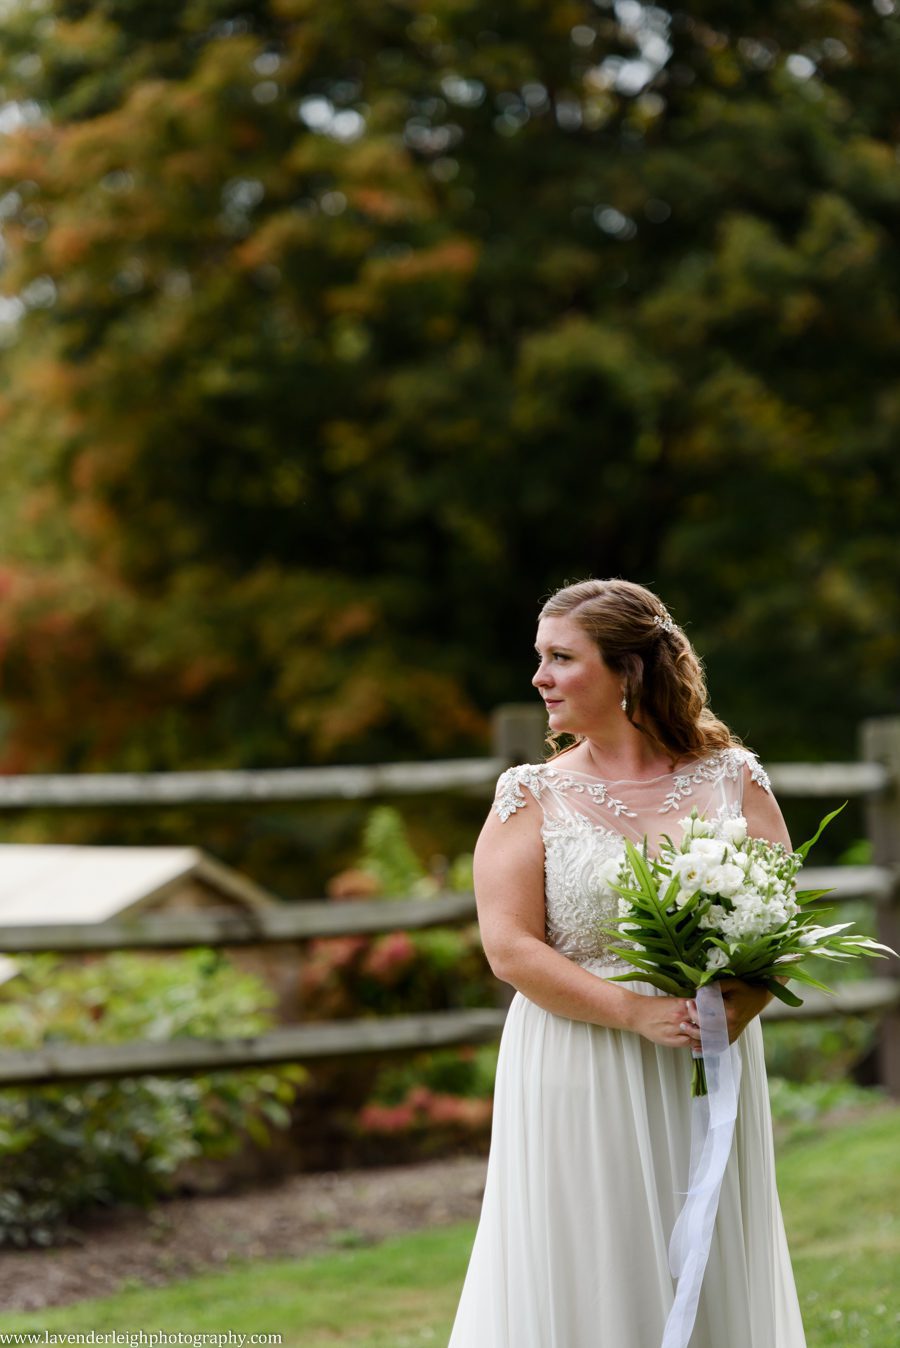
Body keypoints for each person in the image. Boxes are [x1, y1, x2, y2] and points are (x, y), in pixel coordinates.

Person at [447, 578, 806, 1348]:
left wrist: (741, 1007)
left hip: (705, 1056)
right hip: (580, 1059)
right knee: (593, 1261)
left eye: (561, 658)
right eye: (539, 658)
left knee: (704, 1252)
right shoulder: (531, 794)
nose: (539, 677)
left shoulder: (731, 777)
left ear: (628, 673)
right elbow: (509, 947)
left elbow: (778, 917)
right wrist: (634, 1012)